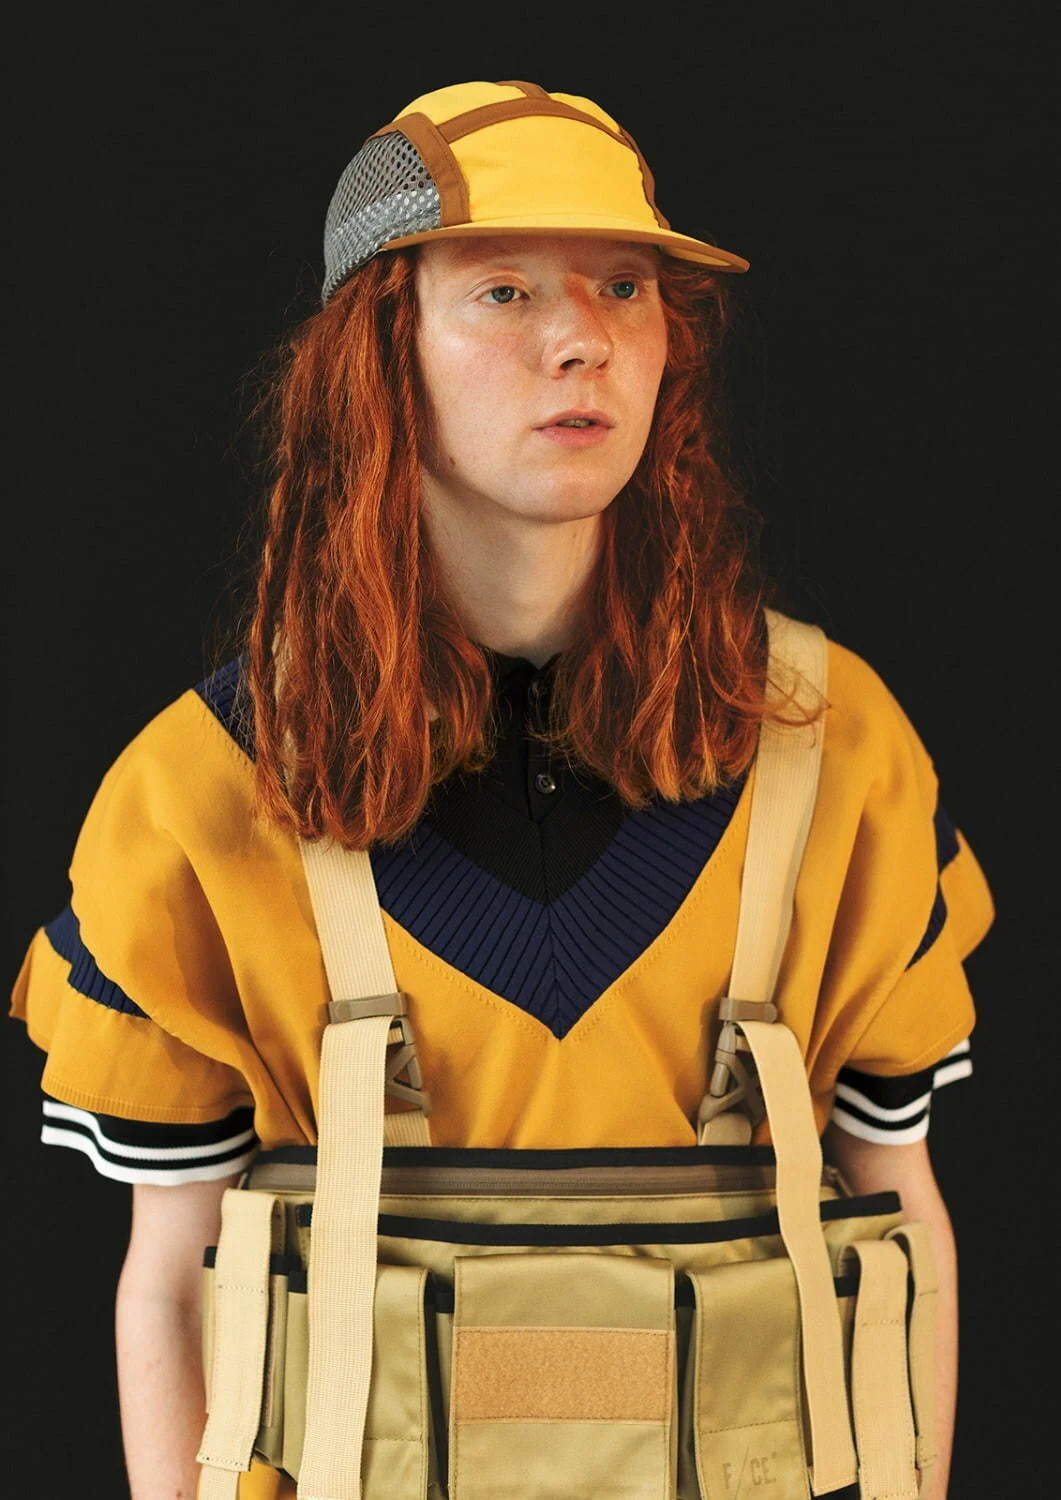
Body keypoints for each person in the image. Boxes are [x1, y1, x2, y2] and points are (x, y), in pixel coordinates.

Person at [8, 79, 992, 1500]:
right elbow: (171, 1280)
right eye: (505, 291)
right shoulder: (201, 793)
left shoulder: (835, 750)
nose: (581, 338)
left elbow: (905, 1219)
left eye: (623, 287)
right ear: (376, 356)